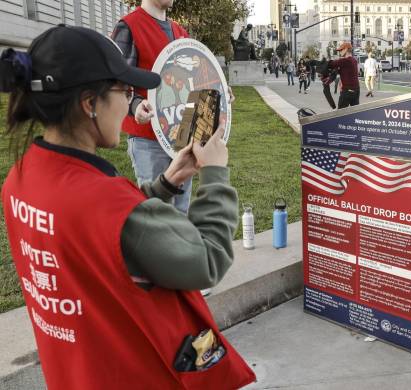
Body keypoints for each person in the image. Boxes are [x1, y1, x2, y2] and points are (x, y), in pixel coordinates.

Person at [0, 25, 255, 389]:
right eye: (125, 91)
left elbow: (98, 236)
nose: (129, 104)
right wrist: (214, 174)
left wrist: (164, 184)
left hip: (75, 372)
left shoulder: (21, 179)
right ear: (90, 103)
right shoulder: (106, 205)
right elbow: (207, 260)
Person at [111, 0, 192, 214]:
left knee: (181, 211)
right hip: (149, 140)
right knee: (157, 214)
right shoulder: (128, 26)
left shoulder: (181, 32)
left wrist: (219, 90)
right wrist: (135, 105)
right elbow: (118, 83)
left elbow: (195, 78)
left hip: (181, 138)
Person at [329, 42, 360, 108]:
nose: (339, 52)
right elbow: (344, 71)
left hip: (348, 91)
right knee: (355, 113)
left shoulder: (345, 61)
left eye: (341, 50)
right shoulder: (354, 60)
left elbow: (331, 64)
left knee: (340, 114)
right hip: (356, 90)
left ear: (346, 49)